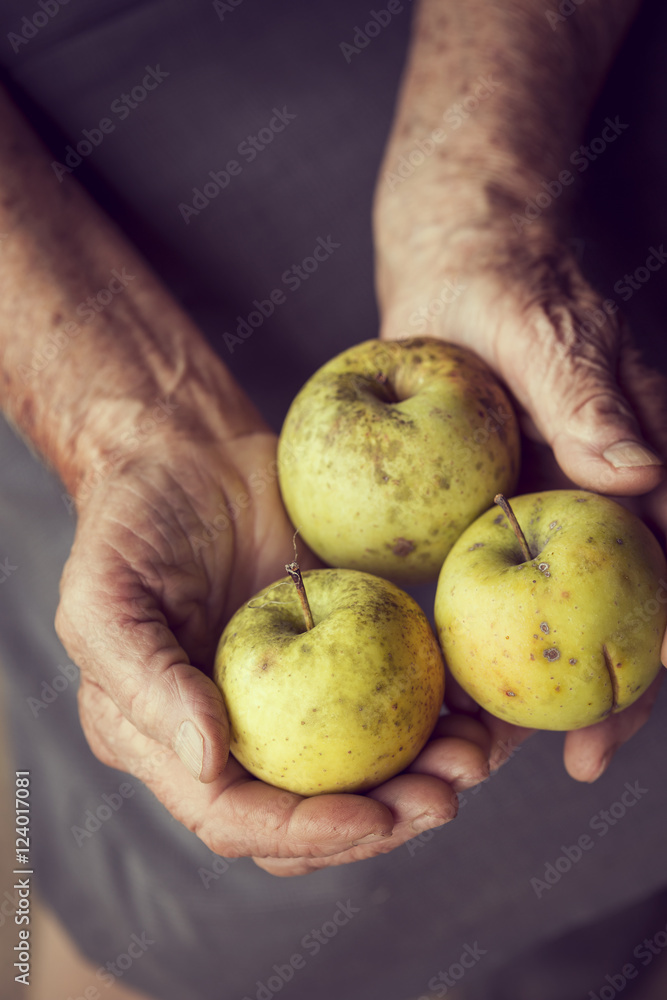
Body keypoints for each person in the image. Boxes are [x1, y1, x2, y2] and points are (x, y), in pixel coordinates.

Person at [0, 0, 665, 997]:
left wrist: (473, 192)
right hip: (68, 278)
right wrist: (123, 425)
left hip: (544, 169)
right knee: (196, 918)